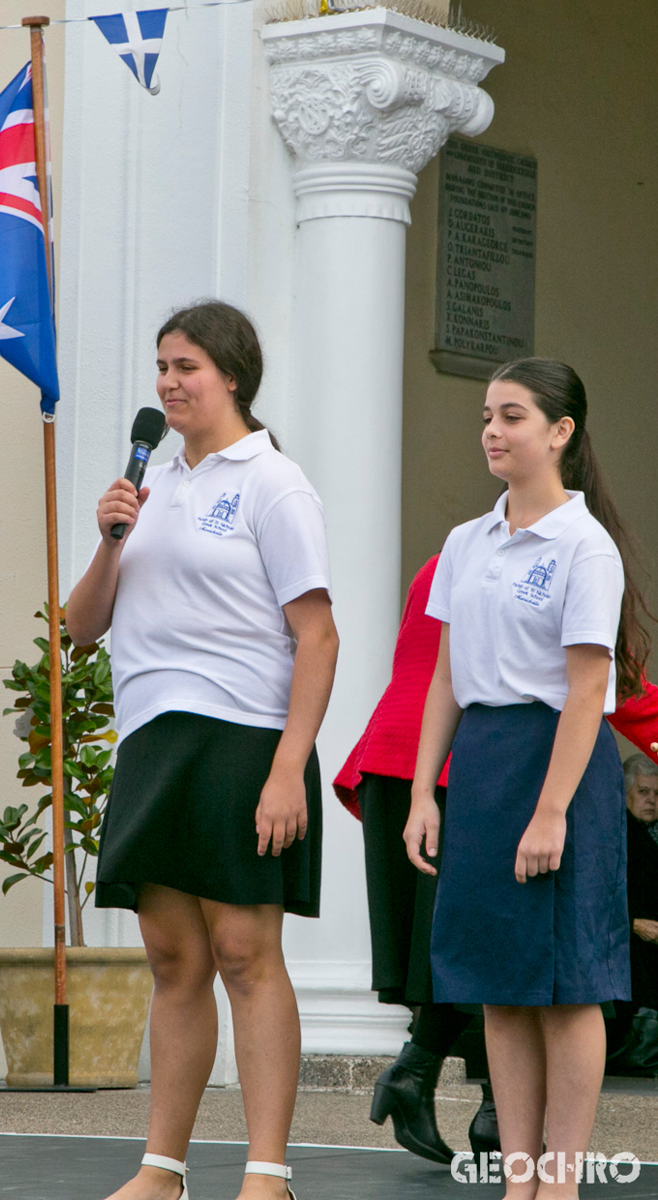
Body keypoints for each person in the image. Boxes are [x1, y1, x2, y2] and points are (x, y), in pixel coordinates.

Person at [66, 301, 339, 1200]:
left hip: (245, 735)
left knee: (243, 951)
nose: (168, 383)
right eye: (161, 367)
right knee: (174, 958)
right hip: (156, 737)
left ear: (231, 375)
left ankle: (267, 1173)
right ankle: (163, 1168)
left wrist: (288, 767)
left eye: (185, 366)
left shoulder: (272, 482)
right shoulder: (149, 488)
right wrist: (113, 540)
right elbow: (80, 628)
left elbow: (318, 635)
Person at [404, 358, 651, 1200]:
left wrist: (551, 814)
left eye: (511, 415)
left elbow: (589, 688)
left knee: (568, 983)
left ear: (560, 432)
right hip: (481, 764)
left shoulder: (586, 545)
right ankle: (518, 1179)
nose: (492, 431)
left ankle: (563, 1180)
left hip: (558, 767)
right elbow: (444, 675)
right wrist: (421, 791)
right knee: (496, 984)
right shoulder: (465, 543)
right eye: (486, 416)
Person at [333, 556, 496, 1162]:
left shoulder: (444, 559)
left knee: (450, 951)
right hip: (449, 763)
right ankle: (484, 1109)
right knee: (483, 944)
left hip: (399, 755)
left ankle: (442, 1089)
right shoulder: (536, 555)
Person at [622, 754, 658, 1010]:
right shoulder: (616, 834)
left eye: (657, 793)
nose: (652, 800)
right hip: (629, 951)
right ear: (625, 793)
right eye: (643, 791)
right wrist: (632, 922)